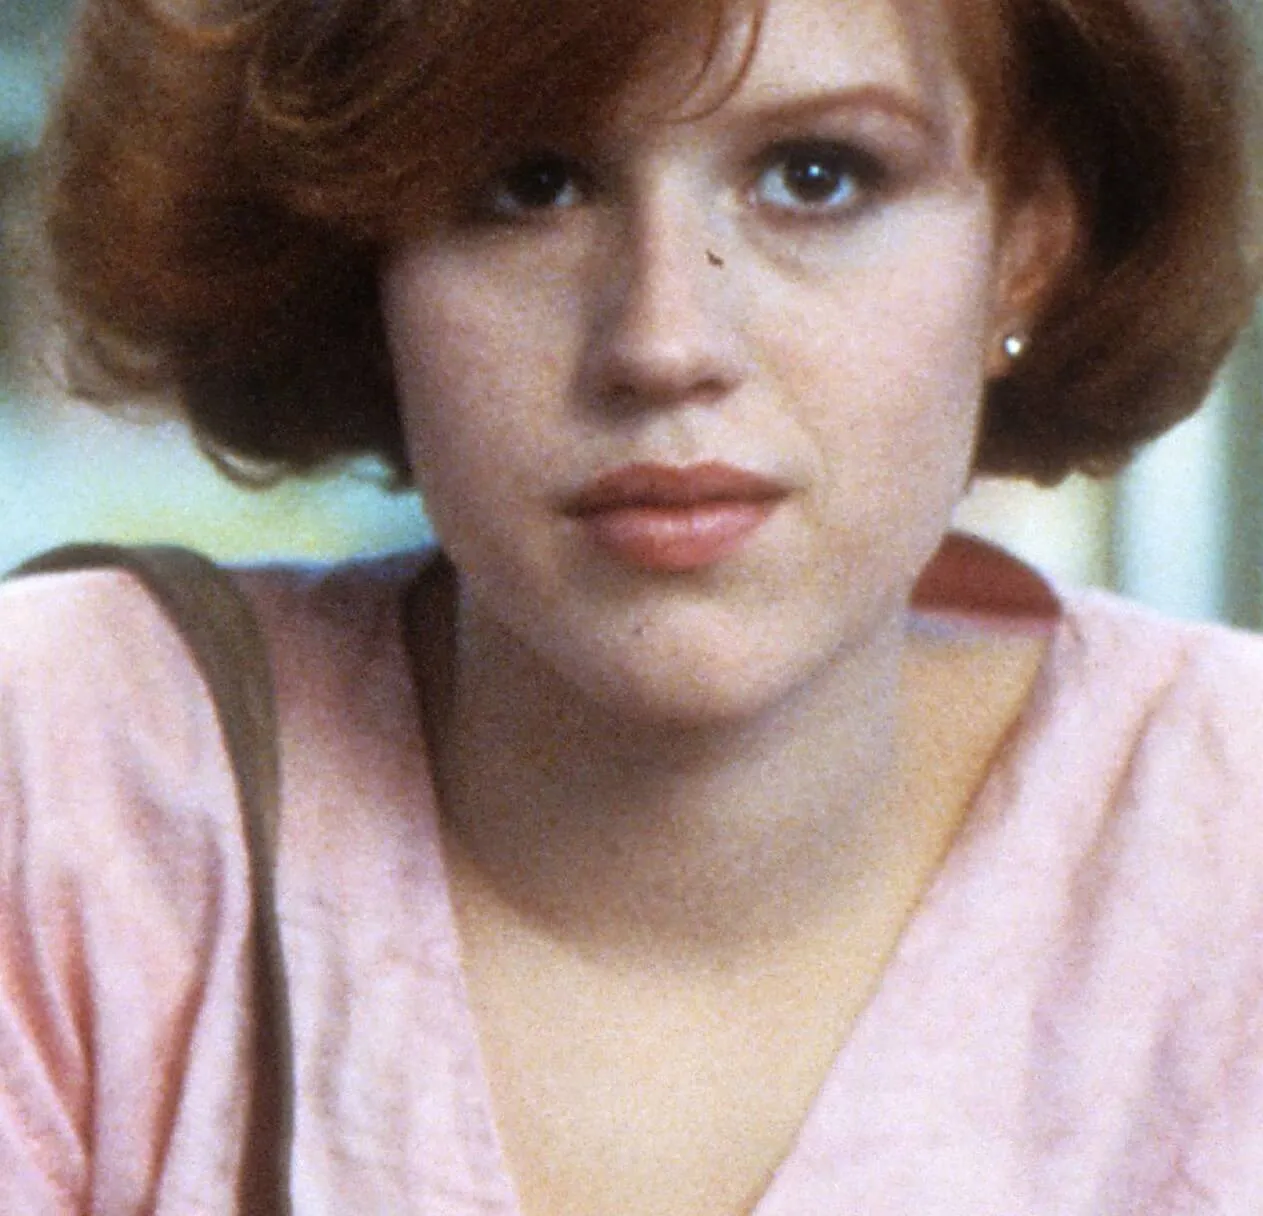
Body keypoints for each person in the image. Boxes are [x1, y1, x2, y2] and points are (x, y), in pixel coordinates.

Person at [2, 0, 1261, 1209]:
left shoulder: (1229, 836)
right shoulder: (72, 784)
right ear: (357, 254)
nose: (666, 342)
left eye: (817, 176)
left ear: (1028, 248)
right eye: (531, 183)